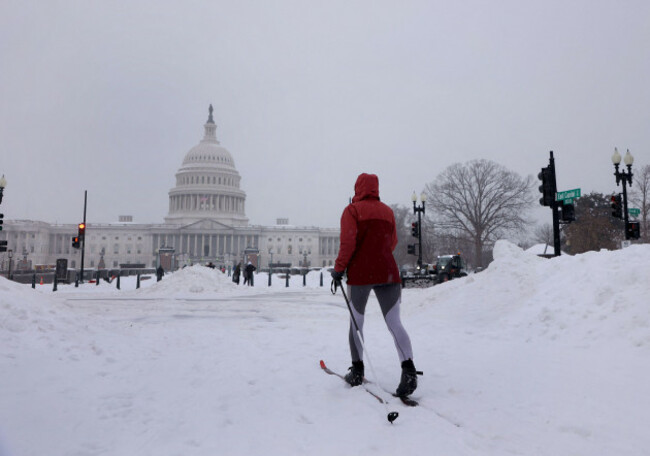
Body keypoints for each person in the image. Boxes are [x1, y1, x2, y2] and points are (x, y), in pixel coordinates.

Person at [331, 173, 418, 397]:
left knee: (356, 322)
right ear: (376, 188)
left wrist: (339, 268)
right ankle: (408, 369)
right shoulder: (388, 211)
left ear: (358, 188)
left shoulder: (351, 211)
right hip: (388, 271)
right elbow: (393, 242)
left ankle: (357, 370)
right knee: (394, 323)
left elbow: (348, 243)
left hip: (360, 274)